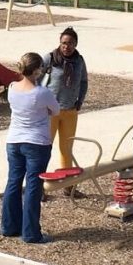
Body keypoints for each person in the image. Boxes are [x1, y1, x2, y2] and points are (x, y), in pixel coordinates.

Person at [0, 52, 60, 244]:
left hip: (14, 140)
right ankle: (31, 232)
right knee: (33, 187)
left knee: (13, 182)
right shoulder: (42, 92)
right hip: (36, 142)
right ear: (35, 70)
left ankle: (9, 226)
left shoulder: (12, 88)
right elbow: (56, 110)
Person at [42, 27, 88, 175]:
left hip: (70, 110)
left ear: (76, 44)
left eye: (70, 43)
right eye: (63, 43)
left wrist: (80, 100)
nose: (66, 46)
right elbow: (34, 79)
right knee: (44, 148)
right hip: (50, 112)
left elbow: (84, 81)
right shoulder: (49, 58)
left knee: (67, 149)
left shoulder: (79, 61)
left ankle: (67, 185)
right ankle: (39, 186)